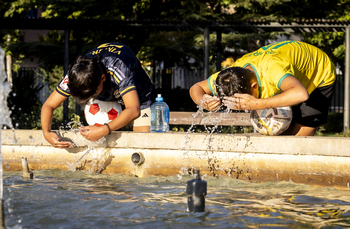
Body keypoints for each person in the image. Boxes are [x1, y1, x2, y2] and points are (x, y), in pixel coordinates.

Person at [190, 40, 336, 136]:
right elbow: (196, 88)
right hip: (290, 76)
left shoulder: (272, 70)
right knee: (279, 133)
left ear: (254, 85)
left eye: (244, 101)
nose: (245, 106)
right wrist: (202, 100)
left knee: (301, 136)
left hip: (317, 73)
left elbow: (300, 94)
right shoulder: (230, 76)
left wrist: (256, 103)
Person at [41, 43, 153, 148]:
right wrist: (46, 132)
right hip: (107, 91)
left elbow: (134, 109)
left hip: (139, 95)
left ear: (103, 78)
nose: (90, 98)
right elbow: (49, 105)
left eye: (92, 94)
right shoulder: (76, 74)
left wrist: (103, 130)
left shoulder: (119, 68)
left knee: (142, 145)